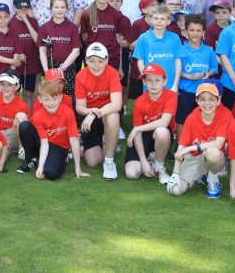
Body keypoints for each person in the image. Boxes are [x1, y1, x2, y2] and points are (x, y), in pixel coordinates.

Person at [166, 82, 230, 198]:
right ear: (197, 101)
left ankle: (213, 179)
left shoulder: (225, 114)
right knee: (175, 190)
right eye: (202, 99)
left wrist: (190, 148)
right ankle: (200, 175)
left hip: (213, 156)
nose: (207, 103)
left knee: (213, 153)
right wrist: (175, 172)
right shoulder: (192, 118)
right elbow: (181, 146)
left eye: (211, 99)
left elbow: (218, 143)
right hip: (194, 157)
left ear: (218, 101)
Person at [73, 43, 123, 180]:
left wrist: (95, 113)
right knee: (93, 162)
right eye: (92, 61)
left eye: (100, 61)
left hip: (106, 113)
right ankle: (105, 143)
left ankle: (109, 161)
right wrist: (90, 112)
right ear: (86, 61)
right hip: (89, 116)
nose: (96, 65)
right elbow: (79, 107)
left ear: (106, 60)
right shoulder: (81, 76)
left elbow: (117, 104)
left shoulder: (112, 73)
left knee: (113, 116)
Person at [22, 79, 88, 180]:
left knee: (51, 173)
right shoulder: (38, 116)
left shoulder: (68, 113)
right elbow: (44, 142)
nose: (51, 103)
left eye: (54, 99)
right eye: (47, 99)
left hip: (60, 146)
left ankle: (63, 159)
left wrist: (78, 168)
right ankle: (33, 160)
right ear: (40, 99)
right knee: (24, 126)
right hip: (45, 143)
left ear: (60, 98)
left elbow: (74, 140)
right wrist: (41, 167)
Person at [125, 64, 176, 183]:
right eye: (149, 80)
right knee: (132, 173)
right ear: (144, 82)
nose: (153, 84)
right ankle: (149, 158)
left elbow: (164, 122)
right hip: (143, 137)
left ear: (164, 81)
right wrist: (143, 162)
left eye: (157, 80)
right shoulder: (139, 101)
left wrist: (137, 128)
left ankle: (159, 167)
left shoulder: (171, 96)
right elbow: (137, 134)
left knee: (162, 132)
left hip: (160, 137)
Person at [79, 0, 131, 77]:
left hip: (112, 59)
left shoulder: (116, 15)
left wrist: (120, 67)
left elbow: (118, 42)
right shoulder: (86, 14)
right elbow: (85, 37)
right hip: (93, 59)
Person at [176, 15, 219, 132]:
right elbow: (176, 70)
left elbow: (214, 68)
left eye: (198, 30)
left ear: (203, 32)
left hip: (203, 93)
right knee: (182, 120)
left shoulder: (209, 51)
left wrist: (208, 74)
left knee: (201, 120)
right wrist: (189, 76)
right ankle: (180, 142)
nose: (195, 33)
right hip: (186, 91)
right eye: (192, 30)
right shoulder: (181, 50)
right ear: (186, 31)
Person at [38, 0, 83, 97]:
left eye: (62, 7)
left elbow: (76, 51)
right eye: (56, 7)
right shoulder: (44, 28)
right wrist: (46, 71)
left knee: (68, 96)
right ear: (51, 8)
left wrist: (62, 68)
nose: (59, 10)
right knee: (51, 96)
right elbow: (42, 51)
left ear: (67, 9)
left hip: (67, 66)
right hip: (50, 66)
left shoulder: (72, 28)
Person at [133, 5, 183, 93]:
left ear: (168, 22)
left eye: (162, 19)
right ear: (151, 20)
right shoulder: (143, 38)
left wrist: (175, 85)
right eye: (156, 18)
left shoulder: (174, 38)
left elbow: (178, 62)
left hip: (170, 85)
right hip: (150, 85)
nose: (159, 21)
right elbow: (140, 61)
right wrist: (145, 79)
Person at [0, 3, 24, 98]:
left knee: (8, 103)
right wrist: (11, 61)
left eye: (5, 16)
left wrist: (11, 75)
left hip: (9, 79)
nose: (3, 19)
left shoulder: (14, 34)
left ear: (9, 17)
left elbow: (16, 55)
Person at [10, 0, 41, 106]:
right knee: (14, 93)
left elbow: (37, 40)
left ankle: (30, 116)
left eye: (25, 8)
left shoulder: (33, 21)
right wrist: (17, 53)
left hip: (31, 64)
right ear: (14, 7)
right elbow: (7, 42)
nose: (23, 11)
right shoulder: (10, 23)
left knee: (29, 93)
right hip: (16, 64)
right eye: (20, 8)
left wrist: (26, 21)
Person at [0, 71, 29, 158]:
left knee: (21, 116)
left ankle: (22, 150)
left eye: (9, 85)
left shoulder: (22, 105)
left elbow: (25, 128)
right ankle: (3, 147)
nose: (5, 88)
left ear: (16, 86)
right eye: (3, 84)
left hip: (14, 134)